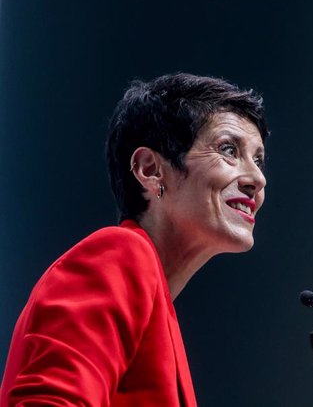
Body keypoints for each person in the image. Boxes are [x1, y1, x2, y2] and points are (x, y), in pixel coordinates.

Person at [0, 73, 268, 406]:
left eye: (259, 160)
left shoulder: (157, 304)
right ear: (151, 169)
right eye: (229, 149)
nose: (257, 178)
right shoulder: (119, 253)